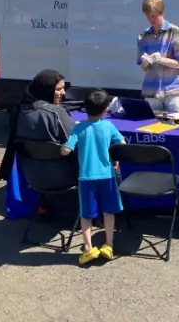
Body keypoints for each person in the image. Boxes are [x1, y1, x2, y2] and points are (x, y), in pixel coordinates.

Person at [61, 88, 126, 264]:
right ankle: (109, 245)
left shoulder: (78, 128)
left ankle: (88, 248)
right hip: (107, 176)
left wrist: (63, 146)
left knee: (86, 214)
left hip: (86, 178)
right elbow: (121, 143)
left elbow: (66, 150)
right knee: (109, 211)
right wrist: (114, 158)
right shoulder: (109, 126)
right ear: (106, 109)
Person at [0, 69, 77, 213]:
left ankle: (45, 205)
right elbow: (77, 142)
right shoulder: (56, 113)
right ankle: (100, 211)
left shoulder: (17, 112)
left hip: (33, 176)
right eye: (59, 89)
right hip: (64, 176)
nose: (64, 93)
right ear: (46, 89)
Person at [137, 0, 179, 113]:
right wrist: (145, 62)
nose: (151, 20)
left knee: (175, 126)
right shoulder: (143, 37)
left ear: (161, 12)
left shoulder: (177, 33)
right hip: (151, 91)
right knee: (149, 126)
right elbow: (144, 67)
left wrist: (160, 59)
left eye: (153, 16)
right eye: (147, 16)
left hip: (173, 91)